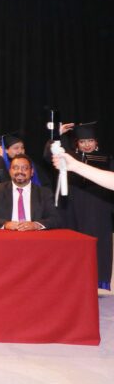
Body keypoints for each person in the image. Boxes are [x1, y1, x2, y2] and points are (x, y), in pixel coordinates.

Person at [50, 122, 113, 290]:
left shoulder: (108, 159)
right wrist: (57, 135)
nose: (87, 144)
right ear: (76, 143)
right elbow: (50, 154)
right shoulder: (70, 157)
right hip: (73, 206)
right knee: (74, 243)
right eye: (83, 141)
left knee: (98, 244)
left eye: (90, 140)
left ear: (97, 142)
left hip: (99, 206)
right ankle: (73, 282)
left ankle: (98, 282)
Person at [0, 154, 61, 230]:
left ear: (32, 171)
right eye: (15, 168)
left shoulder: (44, 192)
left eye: (24, 168)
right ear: (10, 171)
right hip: (6, 236)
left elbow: (54, 218)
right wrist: (5, 224)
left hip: (35, 237)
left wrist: (36, 225)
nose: (20, 171)